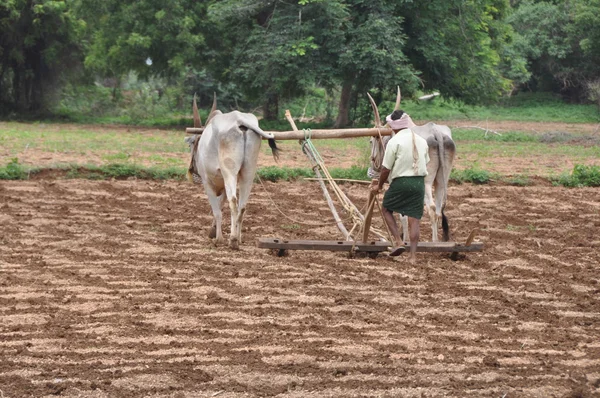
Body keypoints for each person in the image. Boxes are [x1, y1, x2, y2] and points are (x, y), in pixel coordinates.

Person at [371, 110, 430, 263]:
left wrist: (379, 185)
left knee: (386, 209)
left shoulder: (394, 141)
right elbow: (426, 161)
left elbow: (386, 169)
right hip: (419, 183)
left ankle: (398, 241)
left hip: (401, 182)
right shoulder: (422, 140)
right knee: (414, 218)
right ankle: (413, 257)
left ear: (393, 126)